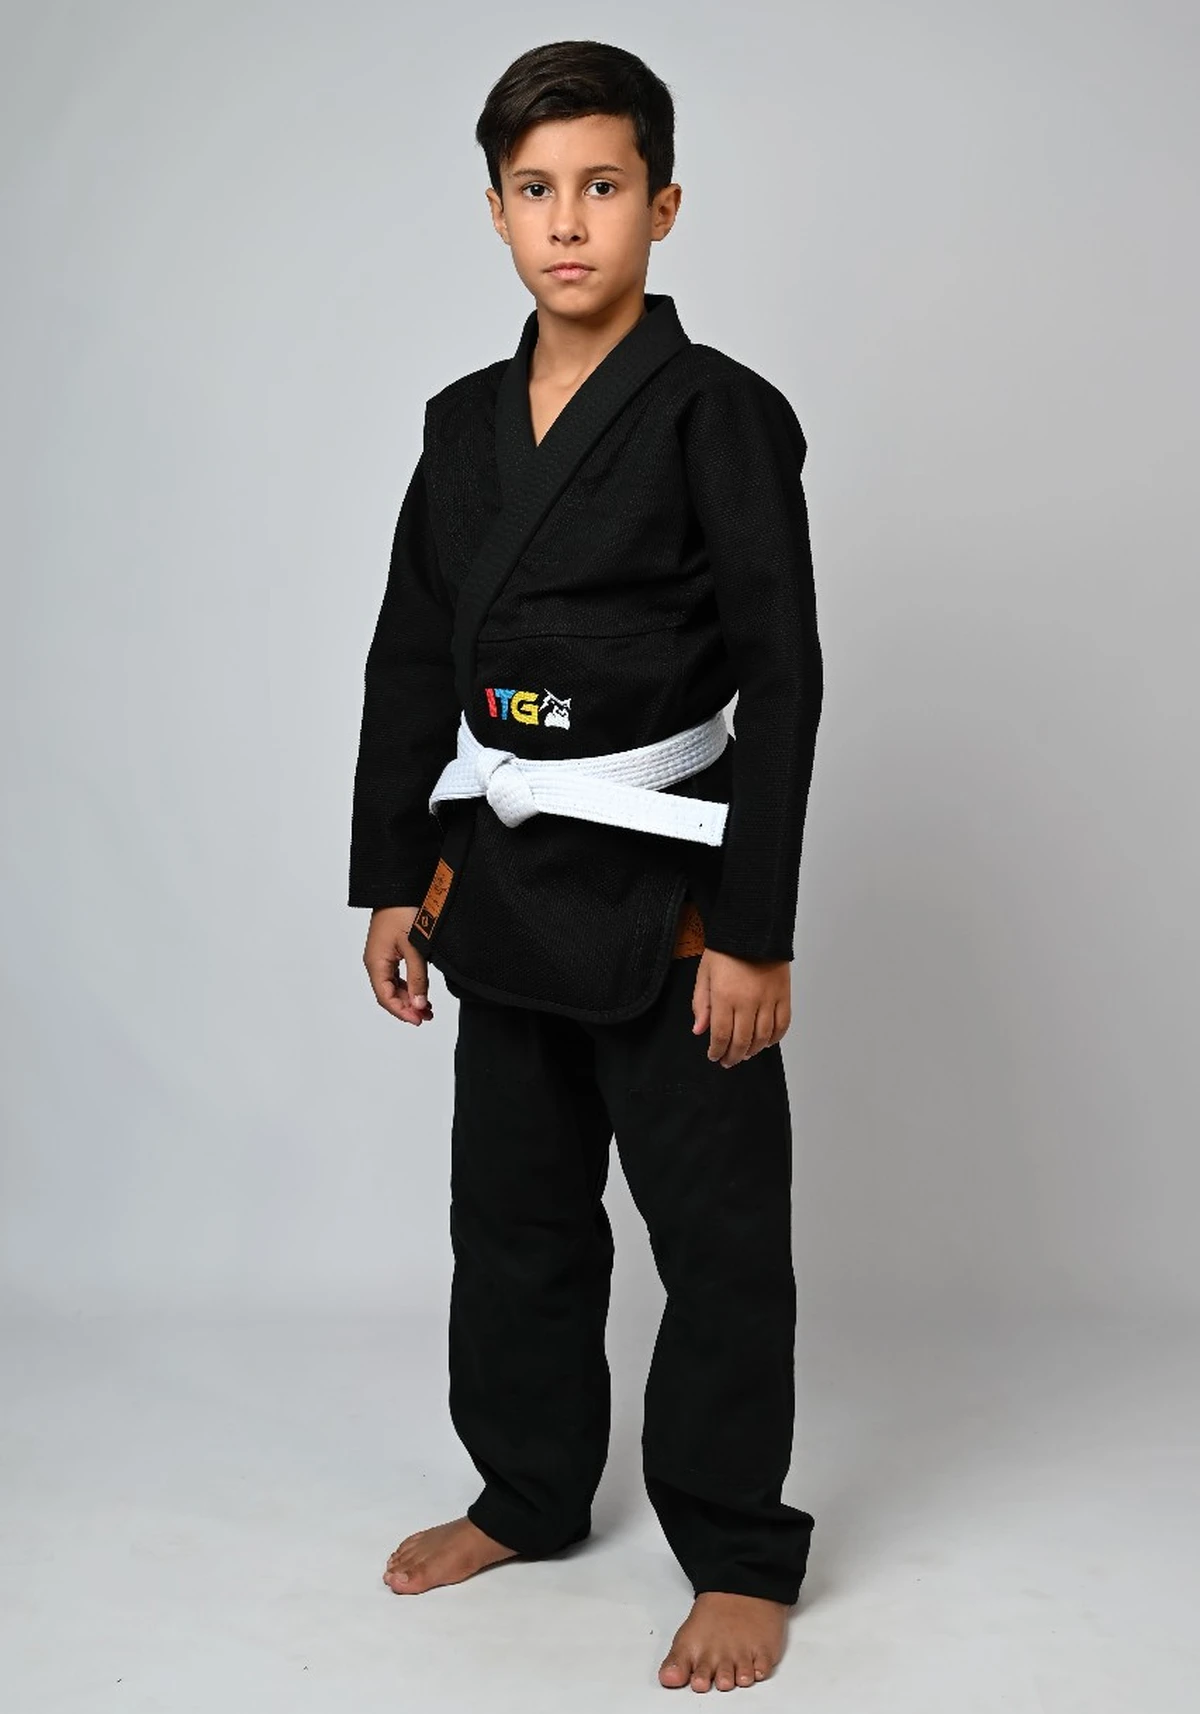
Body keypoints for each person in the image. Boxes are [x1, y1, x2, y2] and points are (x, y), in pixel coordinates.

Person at [347, 38, 824, 1695]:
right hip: (499, 890)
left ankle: (738, 1547)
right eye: (536, 190)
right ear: (494, 211)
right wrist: (394, 875)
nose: (569, 222)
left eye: (602, 186)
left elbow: (785, 673)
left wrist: (754, 928)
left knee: (720, 1241)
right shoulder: (461, 427)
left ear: (662, 206)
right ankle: (530, 1490)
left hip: (675, 903)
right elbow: (411, 658)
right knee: (517, 1223)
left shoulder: (719, 415)